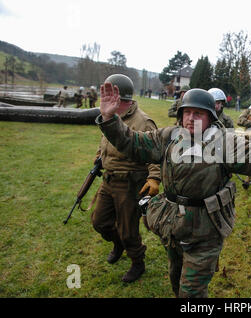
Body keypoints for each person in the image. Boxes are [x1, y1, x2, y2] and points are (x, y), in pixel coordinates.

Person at [96, 86, 251, 297]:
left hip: (206, 231)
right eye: (186, 112)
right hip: (173, 225)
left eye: (198, 113)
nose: (190, 118)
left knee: (191, 293)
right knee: (176, 279)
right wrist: (110, 118)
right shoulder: (169, 137)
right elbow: (133, 143)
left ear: (210, 117)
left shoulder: (225, 142)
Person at [91, 74, 161, 283]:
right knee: (100, 222)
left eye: (113, 99)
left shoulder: (143, 122)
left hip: (130, 184)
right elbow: (105, 141)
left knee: (129, 230)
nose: (107, 103)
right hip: (109, 180)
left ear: (124, 100)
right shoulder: (110, 117)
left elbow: (155, 153)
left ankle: (137, 262)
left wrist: (155, 178)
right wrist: (98, 158)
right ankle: (118, 244)